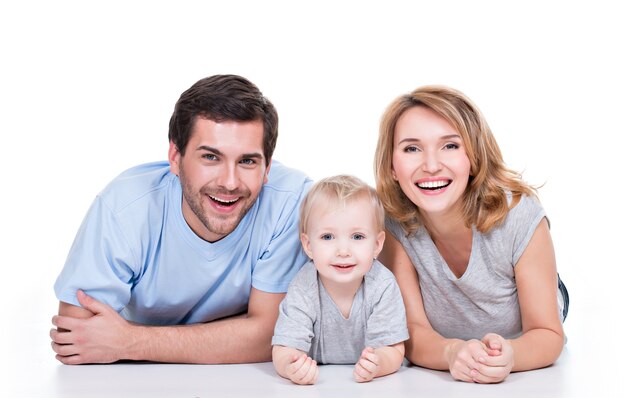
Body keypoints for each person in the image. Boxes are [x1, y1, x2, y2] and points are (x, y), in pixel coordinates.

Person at [50, 74, 312, 365]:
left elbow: (272, 336)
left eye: (247, 161)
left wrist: (128, 341)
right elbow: (74, 337)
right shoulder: (125, 208)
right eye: (211, 157)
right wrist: (233, 335)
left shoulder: (291, 202)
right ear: (175, 156)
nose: (229, 182)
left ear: (267, 168)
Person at [374, 85, 569, 384]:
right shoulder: (392, 225)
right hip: (458, 328)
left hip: (523, 318)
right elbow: (412, 332)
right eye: (412, 148)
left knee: (547, 300)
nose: (431, 165)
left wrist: (511, 355)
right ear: (391, 166)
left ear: (474, 157)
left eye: (450, 146)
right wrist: (451, 352)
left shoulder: (519, 215)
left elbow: (549, 334)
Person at [271, 175, 409, 385]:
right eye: (327, 237)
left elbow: (394, 348)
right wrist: (291, 366)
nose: (343, 251)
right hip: (319, 382)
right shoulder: (304, 285)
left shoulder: (382, 284)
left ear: (377, 244)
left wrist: (379, 363)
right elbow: (283, 347)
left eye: (357, 237)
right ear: (308, 245)